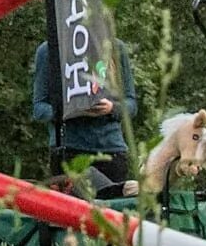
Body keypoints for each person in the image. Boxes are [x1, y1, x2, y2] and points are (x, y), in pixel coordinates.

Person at [30, 38, 141, 197]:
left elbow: (131, 104)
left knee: (111, 216)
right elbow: (39, 109)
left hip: (111, 151)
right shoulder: (49, 50)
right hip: (69, 151)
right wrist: (71, 110)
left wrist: (111, 108)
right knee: (72, 217)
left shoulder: (115, 47)